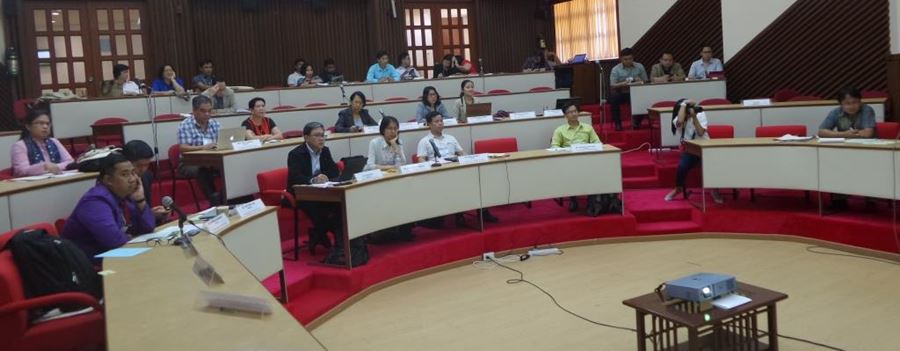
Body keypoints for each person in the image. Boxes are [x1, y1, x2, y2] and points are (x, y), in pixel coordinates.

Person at [61, 153, 155, 259]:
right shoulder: (95, 202)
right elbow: (115, 241)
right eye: (125, 174)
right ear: (108, 180)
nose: (132, 179)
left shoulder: (125, 195)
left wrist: (140, 200)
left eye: (133, 173)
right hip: (88, 265)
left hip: (115, 257)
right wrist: (128, 236)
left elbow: (148, 227)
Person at [286, 122, 340, 254]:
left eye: (323, 135)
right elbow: (295, 177)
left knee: (339, 207)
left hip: (323, 191)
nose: (321, 138)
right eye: (317, 135)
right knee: (321, 209)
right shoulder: (295, 154)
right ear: (306, 137)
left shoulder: (325, 151)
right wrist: (313, 180)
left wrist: (326, 177)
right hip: (301, 193)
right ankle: (322, 234)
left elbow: (334, 172)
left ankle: (320, 234)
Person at [664, 99, 723, 203]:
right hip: (691, 149)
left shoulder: (700, 114)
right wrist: (683, 105)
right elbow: (680, 122)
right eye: (683, 110)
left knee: (712, 165)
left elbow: (700, 132)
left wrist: (694, 117)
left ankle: (714, 190)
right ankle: (678, 189)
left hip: (705, 147)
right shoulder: (678, 119)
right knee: (682, 166)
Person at [550, 103, 601, 212]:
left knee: (595, 170)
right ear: (565, 115)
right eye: (570, 112)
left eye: (575, 111)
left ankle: (592, 200)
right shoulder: (559, 130)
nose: (574, 114)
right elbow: (554, 147)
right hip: (569, 161)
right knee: (570, 171)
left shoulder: (588, 128)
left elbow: (598, 143)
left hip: (587, 159)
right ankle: (573, 198)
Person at [177, 95, 222, 206]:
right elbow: (183, 148)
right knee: (203, 169)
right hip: (189, 162)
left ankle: (234, 198)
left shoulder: (215, 123)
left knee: (229, 165)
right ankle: (215, 203)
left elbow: (221, 142)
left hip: (212, 159)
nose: (207, 114)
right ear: (194, 111)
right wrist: (203, 147)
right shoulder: (185, 125)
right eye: (203, 111)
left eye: (209, 111)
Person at [10, 110, 74, 177]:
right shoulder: (20, 146)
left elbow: (70, 162)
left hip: (57, 178)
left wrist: (54, 167)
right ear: (28, 126)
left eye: (48, 124)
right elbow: (21, 171)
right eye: (40, 123)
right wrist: (44, 166)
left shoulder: (54, 141)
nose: (45, 127)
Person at [121, 140, 171, 223]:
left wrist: (152, 213)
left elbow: (145, 206)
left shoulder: (147, 176)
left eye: (147, 165)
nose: (143, 169)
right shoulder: (117, 182)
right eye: (138, 165)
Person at [608, 47, 648, 131]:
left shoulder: (639, 66)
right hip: (622, 92)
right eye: (625, 59)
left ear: (633, 58)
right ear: (621, 59)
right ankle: (618, 124)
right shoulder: (616, 69)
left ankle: (637, 122)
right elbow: (612, 85)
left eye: (630, 59)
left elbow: (646, 81)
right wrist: (623, 83)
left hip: (637, 92)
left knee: (645, 100)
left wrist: (640, 81)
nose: (628, 61)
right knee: (613, 99)